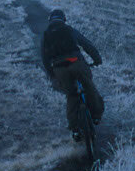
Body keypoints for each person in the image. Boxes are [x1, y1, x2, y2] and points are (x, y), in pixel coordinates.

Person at [40, 9, 104, 141]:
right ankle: (96, 116)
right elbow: (86, 44)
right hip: (76, 63)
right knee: (89, 87)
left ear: (50, 20)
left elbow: (44, 58)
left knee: (71, 95)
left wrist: (52, 74)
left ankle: (75, 129)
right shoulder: (69, 30)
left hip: (59, 68)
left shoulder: (45, 35)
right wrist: (97, 59)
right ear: (63, 19)